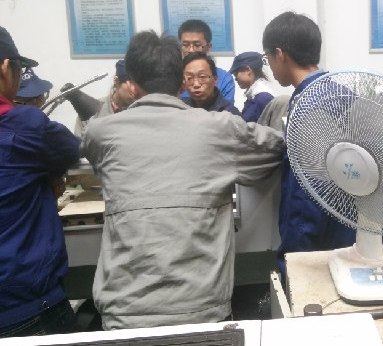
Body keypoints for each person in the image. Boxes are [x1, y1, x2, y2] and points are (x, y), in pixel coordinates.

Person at [81, 30, 285, 330]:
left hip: (123, 314)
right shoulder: (219, 128)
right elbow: (277, 148)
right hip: (202, 312)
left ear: (132, 86)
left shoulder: (100, 133)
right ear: (182, 83)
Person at [262, 11, 356, 280]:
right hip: (345, 234)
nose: (270, 66)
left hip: (312, 249)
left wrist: (294, 259)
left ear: (280, 54)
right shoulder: (343, 93)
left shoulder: (308, 105)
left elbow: (305, 196)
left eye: (268, 58)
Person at [0, 26, 80, 337]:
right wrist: (49, 175)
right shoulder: (25, 124)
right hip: (27, 308)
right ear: (6, 67)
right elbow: (70, 149)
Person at [67, 60, 135, 136]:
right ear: (116, 81)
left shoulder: (140, 110)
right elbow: (80, 140)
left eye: (139, 86)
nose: (135, 90)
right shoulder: (90, 111)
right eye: (131, 84)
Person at [178, 19, 235, 104]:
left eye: (197, 45)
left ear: (208, 47)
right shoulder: (172, 76)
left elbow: (226, 110)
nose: (191, 50)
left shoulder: (224, 79)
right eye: (185, 45)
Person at [229, 51, 275, 122]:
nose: (235, 78)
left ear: (248, 70)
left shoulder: (263, 98)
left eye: (236, 74)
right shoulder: (254, 96)